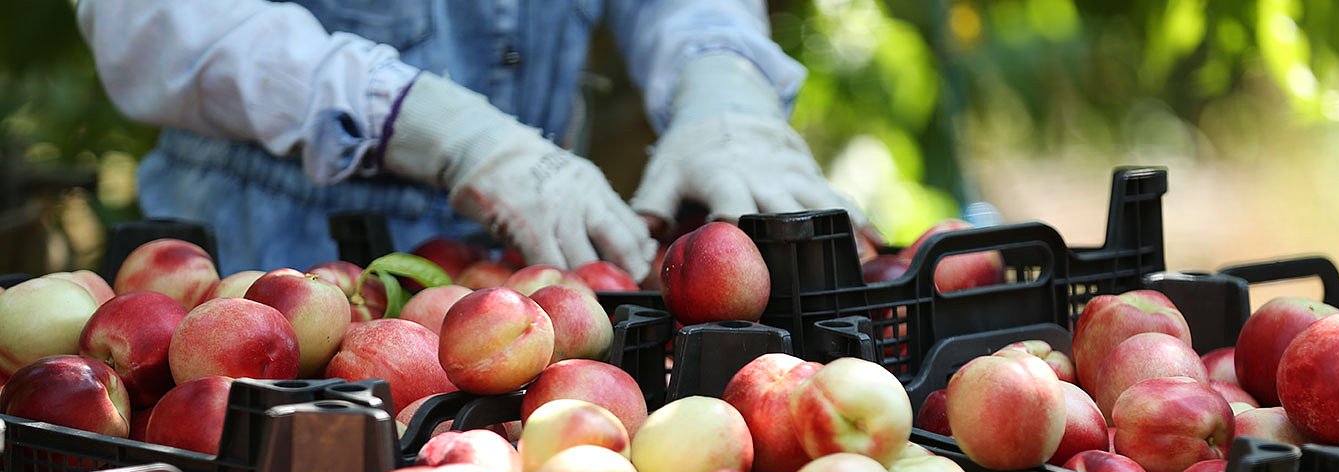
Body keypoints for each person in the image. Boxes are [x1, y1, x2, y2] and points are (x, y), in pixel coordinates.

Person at [75, 1, 872, 280]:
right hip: (264, 277)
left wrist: (721, 80)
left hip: (533, 284)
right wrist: (431, 127)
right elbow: (146, 19)